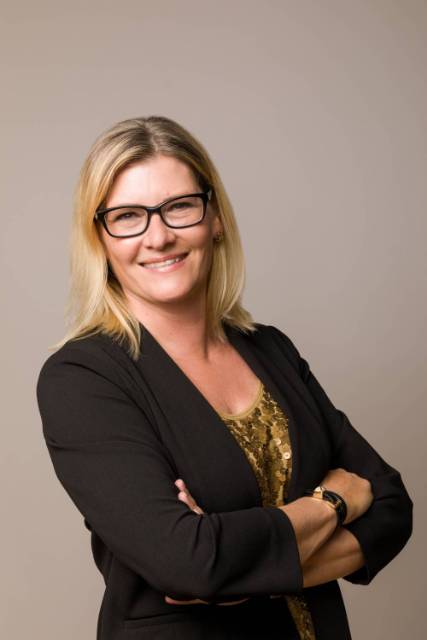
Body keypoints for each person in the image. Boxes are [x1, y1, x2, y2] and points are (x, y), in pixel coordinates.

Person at [36, 115, 413, 640]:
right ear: (100, 238)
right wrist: (333, 501)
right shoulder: (83, 378)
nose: (159, 236)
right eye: (127, 216)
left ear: (214, 218)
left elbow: (392, 504)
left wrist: (243, 570)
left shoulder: (271, 349)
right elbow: (190, 562)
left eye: (179, 207)